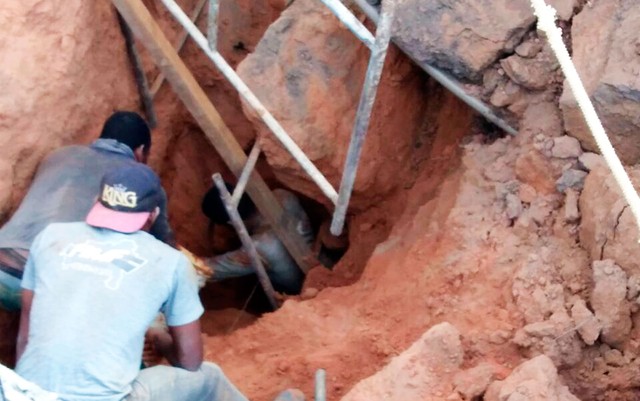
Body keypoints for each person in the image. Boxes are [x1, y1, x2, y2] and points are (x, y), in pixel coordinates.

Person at [14, 164, 302, 401]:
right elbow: (190, 362)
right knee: (209, 378)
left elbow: (26, 334)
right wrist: (158, 338)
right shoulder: (170, 262)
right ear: (152, 216)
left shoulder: (50, 237)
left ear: (96, 203)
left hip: (25, 392)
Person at [0, 111, 174, 311]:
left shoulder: (58, 156)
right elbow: (162, 245)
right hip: (45, 283)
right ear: (141, 151)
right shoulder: (141, 183)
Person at [201, 184, 313, 295]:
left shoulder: (259, 247)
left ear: (231, 223)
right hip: (316, 263)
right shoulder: (283, 196)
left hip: (300, 292)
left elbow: (207, 270)